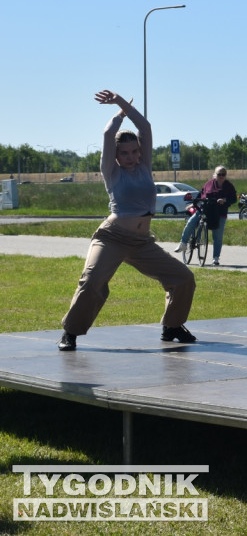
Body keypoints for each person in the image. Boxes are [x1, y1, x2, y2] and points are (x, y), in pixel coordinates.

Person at [58, 91, 197, 351]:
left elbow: (145, 127)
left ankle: (172, 326)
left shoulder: (145, 166)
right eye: (125, 153)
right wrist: (119, 114)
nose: (131, 156)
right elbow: (108, 135)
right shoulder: (110, 171)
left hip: (142, 242)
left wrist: (122, 100)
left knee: (183, 278)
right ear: (117, 155)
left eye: (135, 151)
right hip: (111, 238)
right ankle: (70, 332)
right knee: (91, 281)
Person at [176, 166, 237, 266]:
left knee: (217, 236)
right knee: (191, 222)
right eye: (219, 174)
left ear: (225, 175)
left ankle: (216, 258)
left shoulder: (229, 186)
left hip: (220, 212)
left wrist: (225, 200)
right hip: (205, 209)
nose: (221, 176)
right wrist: (193, 204)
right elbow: (200, 195)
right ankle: (183, 243)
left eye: (223, 174)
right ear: (215, 175)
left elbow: (234, 198)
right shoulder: (208, 184)